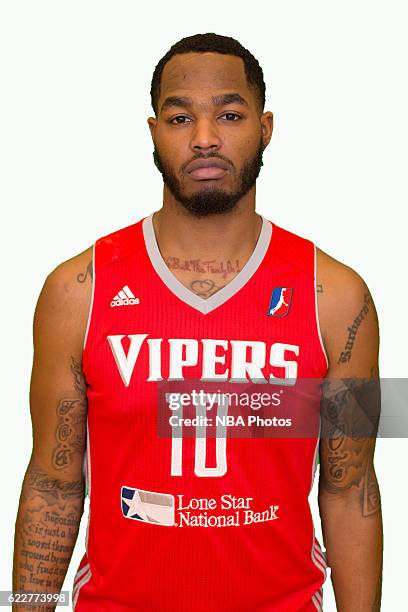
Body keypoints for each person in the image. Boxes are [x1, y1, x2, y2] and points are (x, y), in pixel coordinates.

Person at [13, 33, 383, 611]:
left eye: (229, 114)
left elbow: (349, 485)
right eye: (180, 116)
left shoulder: (337, 297)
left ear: (265, 128)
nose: (205, 138)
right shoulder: (76, 291)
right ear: (154, 132)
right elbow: (54, 482)